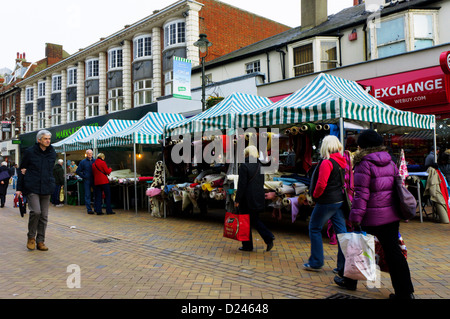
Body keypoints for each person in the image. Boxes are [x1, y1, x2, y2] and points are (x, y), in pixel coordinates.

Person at [334, 129, 415, 299]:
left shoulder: (364, 163)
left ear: (363, 146)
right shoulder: (391, 162)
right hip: (391, 216)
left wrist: (355, 218)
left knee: (356, 246)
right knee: (394, 253)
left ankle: (349, 282)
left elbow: (361, 195)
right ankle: (405, 293)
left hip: (372, 217)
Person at [303, 135, 348, 272]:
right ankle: (343, 266)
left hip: (326, 200)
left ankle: (316, 262)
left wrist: (315, 196)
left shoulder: (327, 162)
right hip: (338, 200)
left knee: (314, 228)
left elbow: (321, 184)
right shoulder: (341, 161)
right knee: (342, 234)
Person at [16, 130, 56, 251]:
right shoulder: (30, 152)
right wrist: (19, 188)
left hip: (46, 187)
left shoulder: (52, 152)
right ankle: (31, 237)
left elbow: (50, 170)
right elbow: (22, 169)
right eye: (45, 139)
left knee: (44, 216)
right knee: (36, 212)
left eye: (49, 138)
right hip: (32, 186)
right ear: (39, 140)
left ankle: (41, 241)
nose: (48, 141)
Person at [234, 145, 274, 252]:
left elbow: (241, 185)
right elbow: (261, 182)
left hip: (246, 199)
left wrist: (237, 199)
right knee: (255, 219)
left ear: (246, 154)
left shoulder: (244, 166)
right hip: (258, 197)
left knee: (245, 221)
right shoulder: (260, 165)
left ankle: (249, 245)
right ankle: (268, 237)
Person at [76, 149, 95, 214]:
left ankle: (96, 208)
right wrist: (84, 176)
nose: (90, 154)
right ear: (86, 154)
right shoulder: (83, 162)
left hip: (94, 180)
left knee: (95, 194)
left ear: (92, 154)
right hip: (87, 180)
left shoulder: (95, 161)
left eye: (91, 153)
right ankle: (89, 209)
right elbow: (77, 171)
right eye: (88, 153)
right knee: (87, 194)